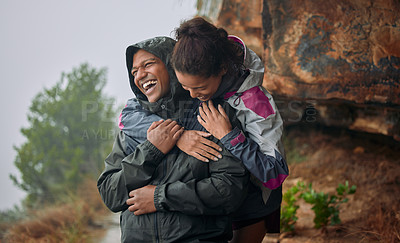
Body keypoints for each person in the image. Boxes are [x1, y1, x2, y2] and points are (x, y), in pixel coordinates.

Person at [97, 36, 250, 243]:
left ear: (172, 65)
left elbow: (229, 190)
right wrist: (152, 150)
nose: (140, 75)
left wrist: (160, 197)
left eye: (148, 64)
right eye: (134, 72)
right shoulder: (132, 129)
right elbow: (111, 194)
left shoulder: (213, 116)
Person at [170, 17, 289, 242]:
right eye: (185, 87)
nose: (192, 95)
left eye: (199, 88)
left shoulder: (256, 103)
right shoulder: (191, 76)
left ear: (222, 68)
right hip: (212, 197)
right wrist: (179, 136)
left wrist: (229, 136)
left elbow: (275, 174)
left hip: (252, 206)